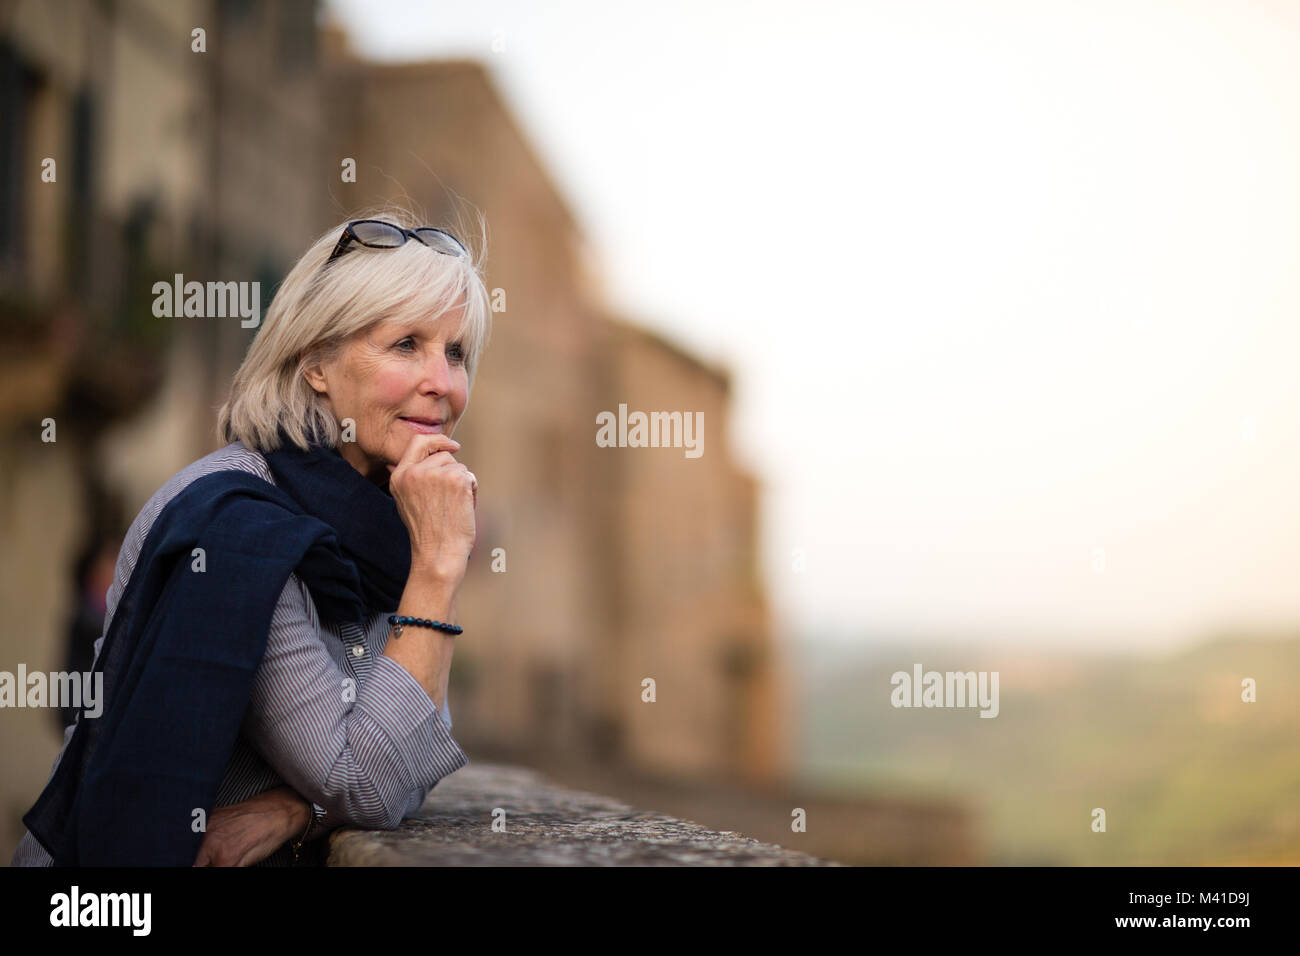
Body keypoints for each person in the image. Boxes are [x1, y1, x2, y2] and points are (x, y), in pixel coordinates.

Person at [12, 207, 492, 866]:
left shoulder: (383, 516)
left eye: (456, 351)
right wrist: (439, 567)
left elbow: (418, 745)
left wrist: (297, 809)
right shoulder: (238, 526)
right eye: (406, 344)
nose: (443, 383)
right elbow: (368, 776)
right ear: (316, 362)